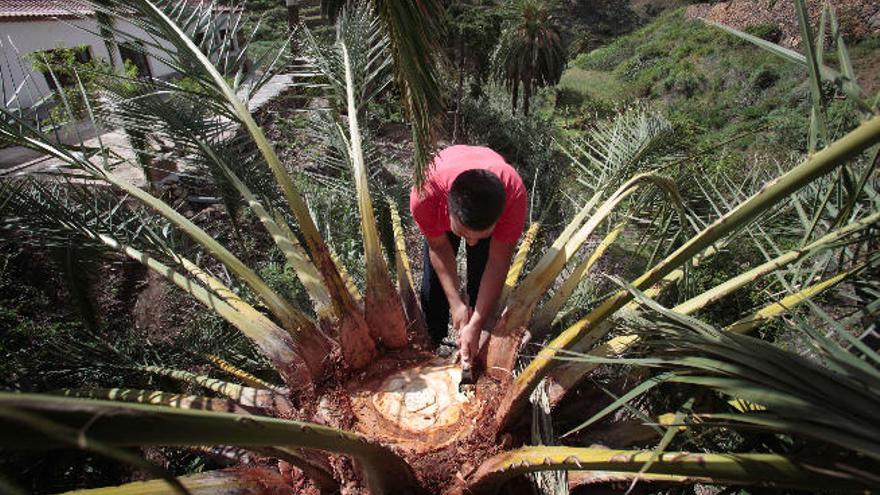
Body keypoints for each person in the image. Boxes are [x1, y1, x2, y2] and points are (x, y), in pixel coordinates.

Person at [410, 145, 528, 369]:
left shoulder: (513, 195)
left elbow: (498, 261)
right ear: (448, 210)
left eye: (480, 236)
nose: (471, 243)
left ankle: (472, 339)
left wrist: (476, 321)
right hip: (443, 177)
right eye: (465, 235)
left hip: (487, 192)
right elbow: (438, 246)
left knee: (481, 271)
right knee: (434, 284)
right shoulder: (425, 195)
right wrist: (455, 303)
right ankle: (433, 339)